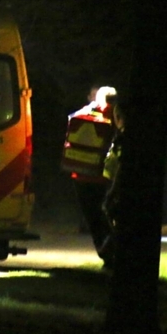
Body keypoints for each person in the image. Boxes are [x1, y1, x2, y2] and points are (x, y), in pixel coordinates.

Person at [62, 85, 117, 267]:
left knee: (92, 217)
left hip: (80, 174)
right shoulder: (117, 118)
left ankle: (107, 253)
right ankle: (109, 254)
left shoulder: (86, 113)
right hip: (102, 176)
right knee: (104, 214)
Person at [101, 93, 127, 252]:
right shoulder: (121, 136)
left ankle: (111, 251)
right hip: (114, 184)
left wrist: (112, 191)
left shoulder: (123, 138)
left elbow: (122, 166)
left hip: (118, 187)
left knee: (115, 218)